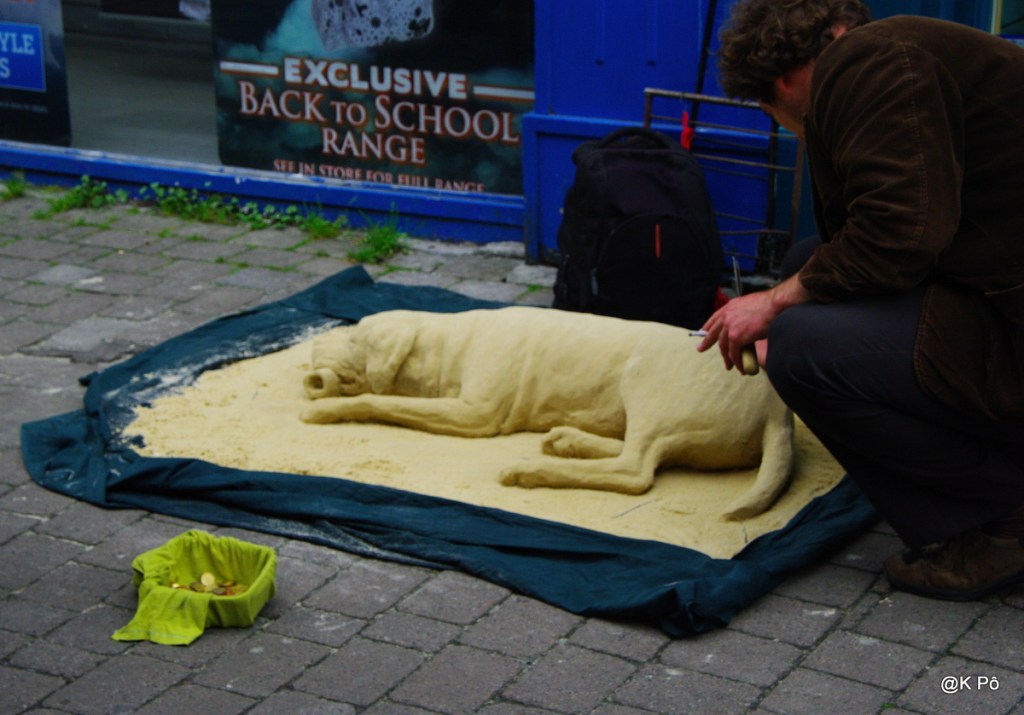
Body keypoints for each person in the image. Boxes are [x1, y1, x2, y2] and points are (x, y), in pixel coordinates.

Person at [700, 0, 1024, 601]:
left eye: (772, 115)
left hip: (1010, 320)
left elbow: (899, 237)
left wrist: (772, 306)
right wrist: (792, 294)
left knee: (801, 348)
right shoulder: (895, 53)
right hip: (999, 293)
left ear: (780, 84)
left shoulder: (868, 61)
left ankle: (1005, 519)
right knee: (806, 269)